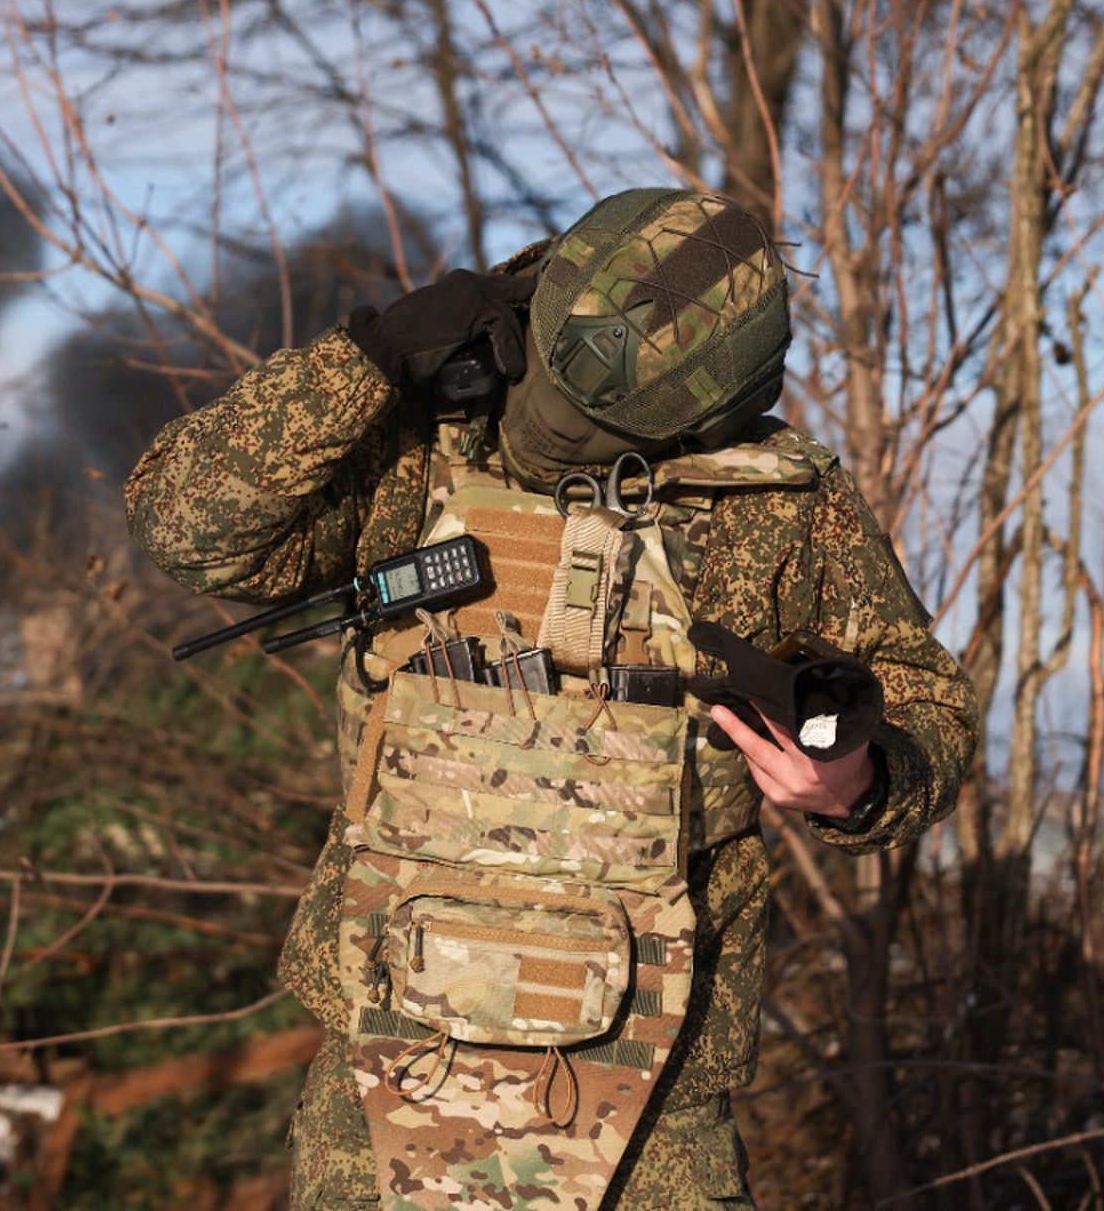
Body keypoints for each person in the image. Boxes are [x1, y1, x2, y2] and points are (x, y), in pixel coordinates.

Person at [125, 189, 976, 1209]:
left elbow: (930, 705)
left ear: (713, 408)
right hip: (394, 1032)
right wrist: (368, 355)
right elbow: (187, 526)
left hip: (657, 1076)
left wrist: (864, 779)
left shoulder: (780, 507)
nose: (557, 429)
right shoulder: (415, 439)